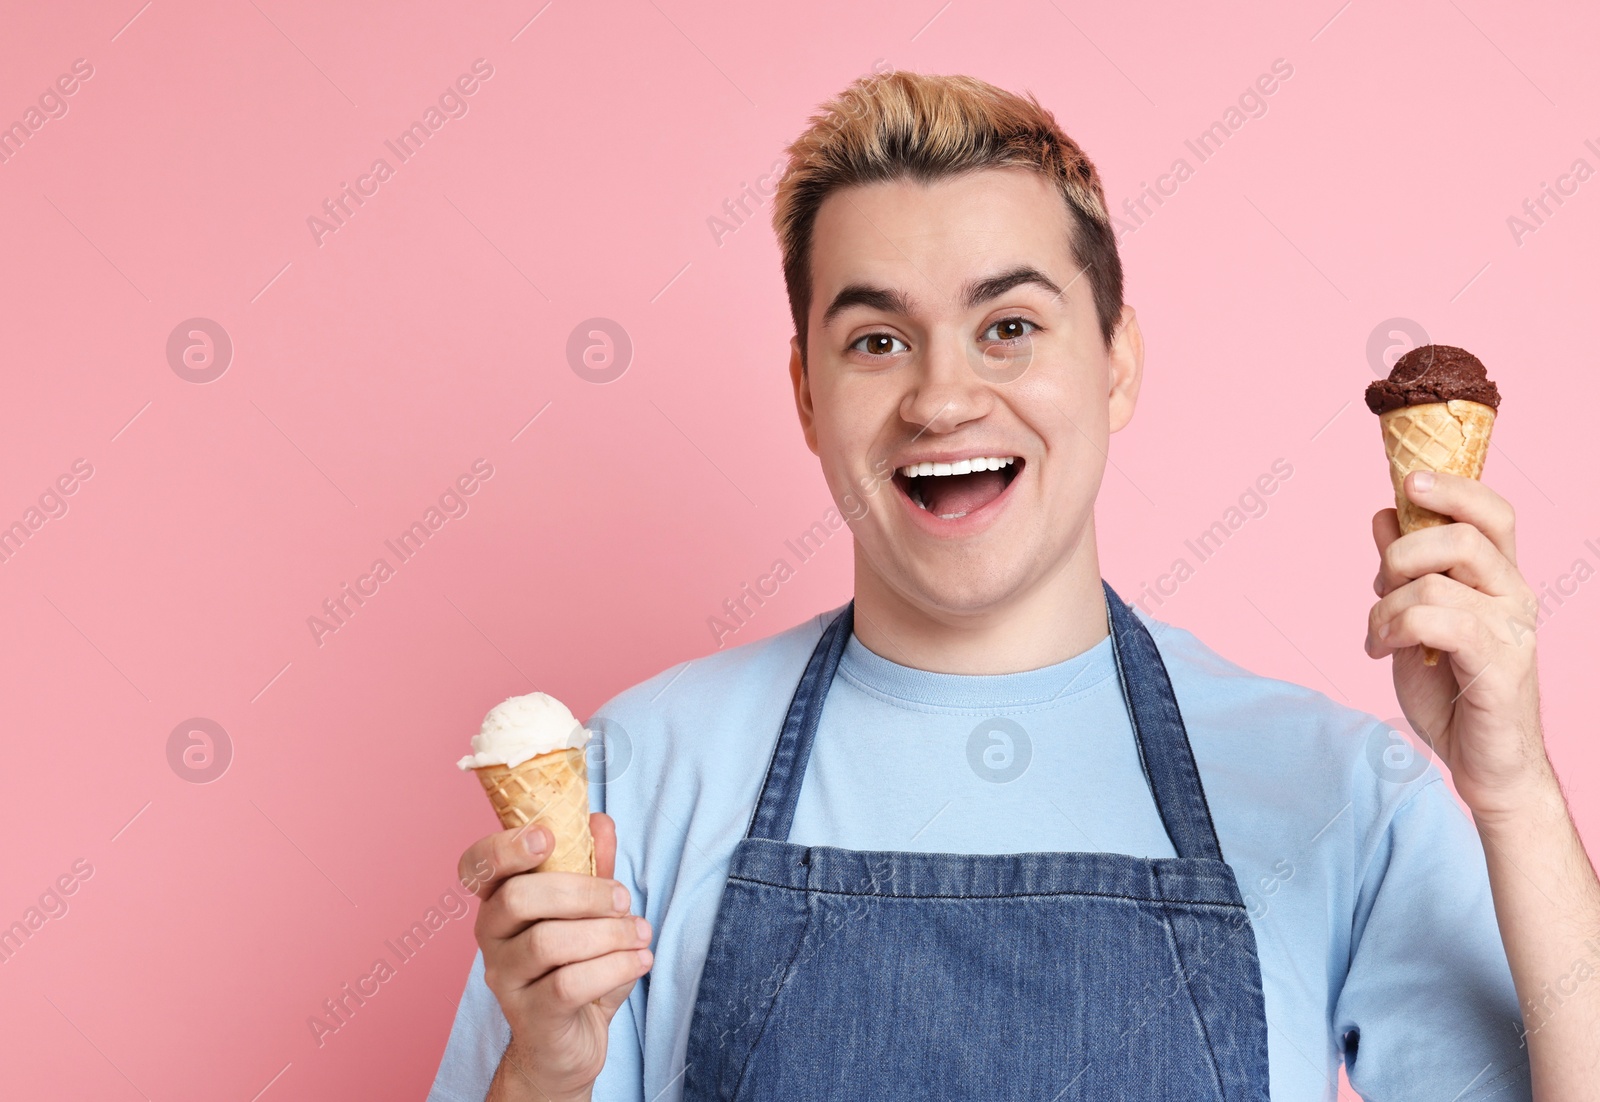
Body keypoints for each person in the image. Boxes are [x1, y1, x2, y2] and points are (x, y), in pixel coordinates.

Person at [428, 71, 1599, 1101]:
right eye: (877, 341)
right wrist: (541, 1078)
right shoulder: (626, 786)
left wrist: (1516, 795)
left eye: (1009, 327)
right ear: (803, 393)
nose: (941, 398)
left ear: (1115, 362)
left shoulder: (1339, 792)